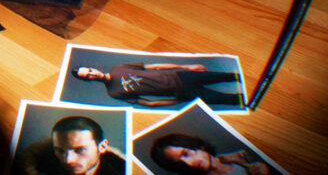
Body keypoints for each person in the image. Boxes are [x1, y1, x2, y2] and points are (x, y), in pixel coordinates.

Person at [71, 63, 241, 108]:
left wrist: (186, 67)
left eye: (90, 70)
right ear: (89, 81)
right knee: (231, 100)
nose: (93, 74)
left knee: (228, 76)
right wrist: (182, 101)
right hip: (182, 92)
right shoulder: (114, 93)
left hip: (181, 75)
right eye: (89, 76)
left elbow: (155, 67)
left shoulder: (119, 67)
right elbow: (150, 103)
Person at [13, 115, 126, 175]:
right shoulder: (42, 165)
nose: (68, 160)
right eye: (60, 151)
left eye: (80, 150)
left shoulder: (120, 169)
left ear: (102, 147)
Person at [150, 133, 277, 174]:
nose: (189, 164)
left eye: (186, 154)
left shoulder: (237, 157)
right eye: (180, 164)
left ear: (199, 147)